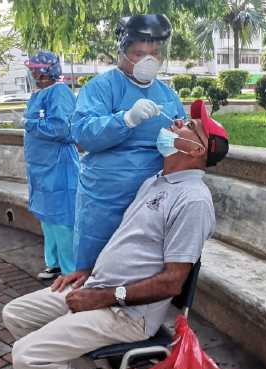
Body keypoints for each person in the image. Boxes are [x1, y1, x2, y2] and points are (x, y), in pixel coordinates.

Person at [2, 100, 229, 369]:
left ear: (197, 149)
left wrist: (102, 298)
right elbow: (128, 245)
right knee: (16, 313)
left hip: (129, 314)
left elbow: (172, 282)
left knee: (28, 356)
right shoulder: (157, 181)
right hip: (101, 288)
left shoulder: (193, 200)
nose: (178, 122)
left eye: (189, 126)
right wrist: (87, 273)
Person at [67, 14, 186, 287]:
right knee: (95, 267)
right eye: (139, 53)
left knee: (138, 265)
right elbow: (83, 134)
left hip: (150, 196)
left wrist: (179, 135)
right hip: (106, 196)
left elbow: (179, 135)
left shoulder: (167, 94)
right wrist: (126, 119)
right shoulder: (101, 87)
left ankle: (128, 314)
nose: (149, 60)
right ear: (122, 51)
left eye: (155, 53)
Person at [23, 51, 80, 279]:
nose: (34, 72)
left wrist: (31, 124)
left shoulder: (60, 92)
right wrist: (33, 123)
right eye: (33, 69)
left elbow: (63, 129)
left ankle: (70, 270)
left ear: (49, 70)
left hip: (58, 166)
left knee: (63, 219)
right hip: (40, 166)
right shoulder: (38, 94)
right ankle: (54, 264)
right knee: (47, 218)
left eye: (38, 69)